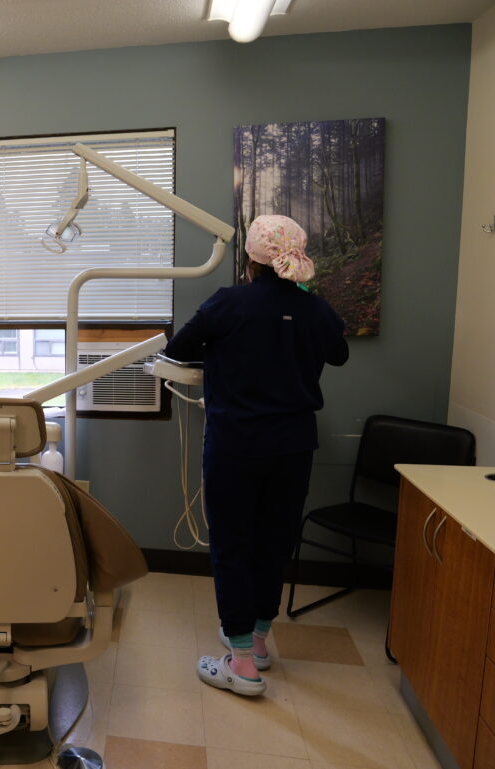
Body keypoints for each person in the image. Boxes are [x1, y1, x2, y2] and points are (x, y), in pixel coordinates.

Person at [163, 214, 349, 696]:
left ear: (250, 255)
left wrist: (226, 354)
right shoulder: (315, 308)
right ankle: (259, 642)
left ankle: (241, 663)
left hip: (236, 444)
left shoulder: (230, 302)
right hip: (293, 446)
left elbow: (181, 349)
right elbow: (339, 354)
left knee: (231, 543)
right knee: (273, 541)